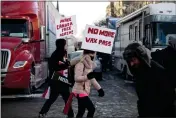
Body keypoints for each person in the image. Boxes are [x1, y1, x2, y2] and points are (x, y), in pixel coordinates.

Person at [123, 43, 175, 117]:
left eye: (133, 60)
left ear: (141, 58)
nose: (131, 64)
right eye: (129, 61)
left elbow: (168, 99)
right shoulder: (139, 73)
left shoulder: (157, 72)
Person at [38, 39, 78, 118]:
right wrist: (66, 65)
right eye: (65, 44)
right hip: (60, 80)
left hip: (57, 81)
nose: (66, 46)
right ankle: (70, 114)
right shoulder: (59, 54)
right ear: (62, 45)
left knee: (54, 99)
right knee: (65, 99)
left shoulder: (57, 54)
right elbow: (59, 67)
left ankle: (42, 113)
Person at [72, 49, 105, 118]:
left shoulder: (90, 65)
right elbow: (77, 78)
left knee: (81, 111)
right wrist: (87, 76)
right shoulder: (80, 63)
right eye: (93, 54)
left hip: (84, 91)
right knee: (91, 109)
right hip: (79, 91)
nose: (94, 56)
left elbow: (92, 79)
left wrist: (99, 89)